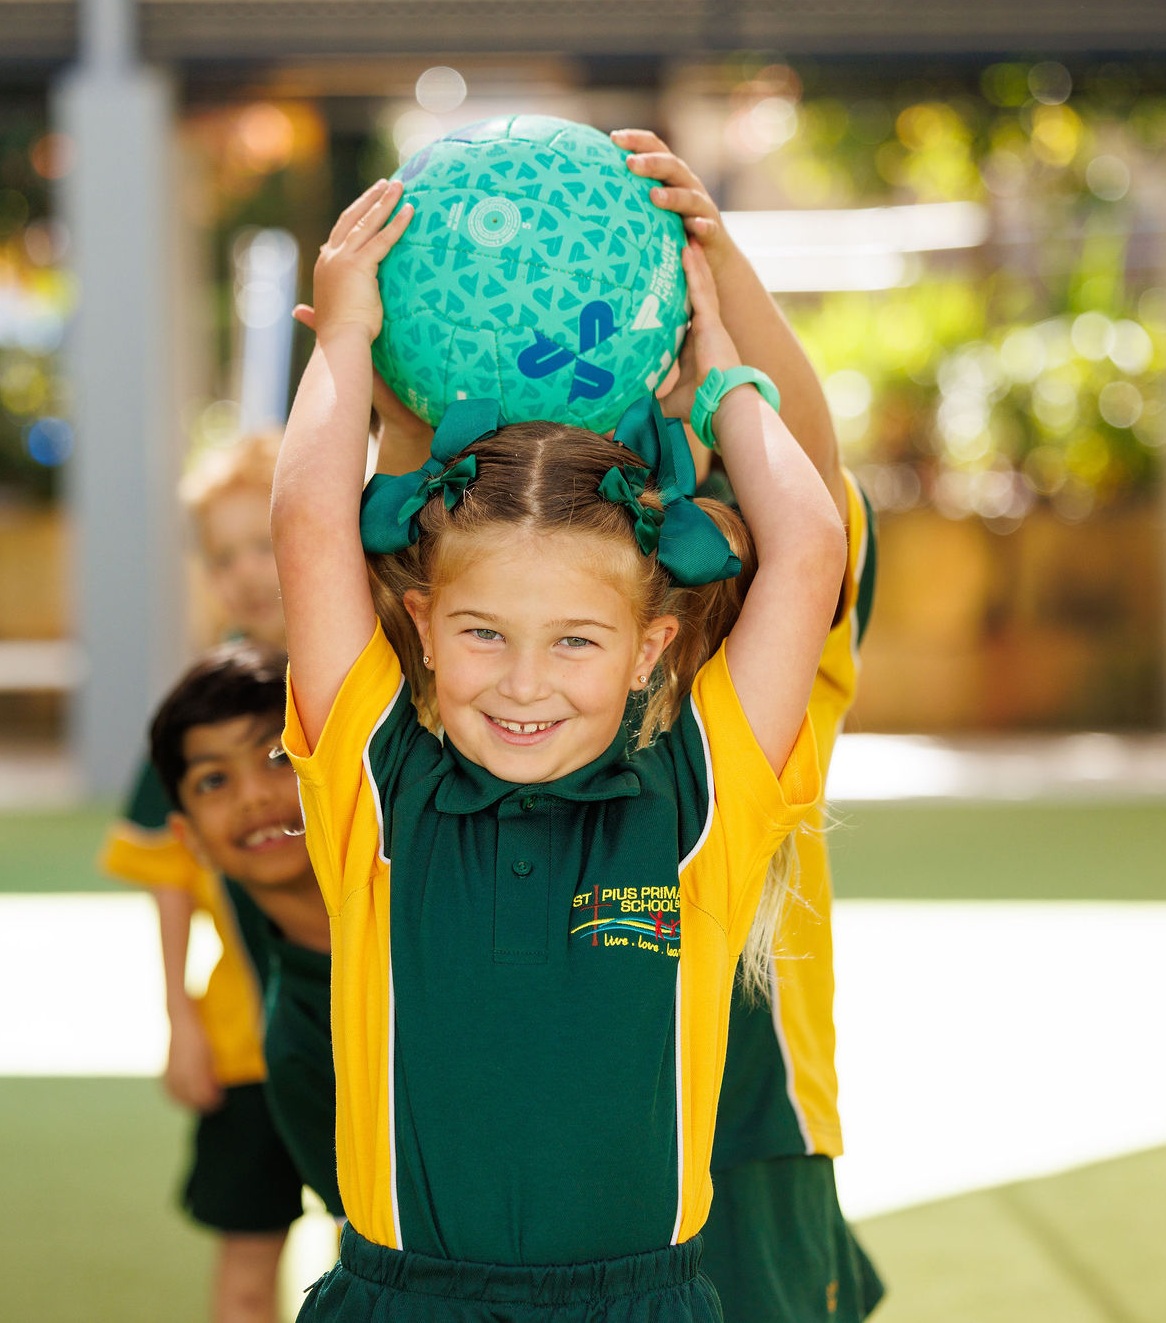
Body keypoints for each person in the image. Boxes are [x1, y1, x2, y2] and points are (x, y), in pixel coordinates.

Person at [270, 175, 845, 1321]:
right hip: (401, 1302)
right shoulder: (379, 788)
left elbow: (809, 546)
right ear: (424, 632)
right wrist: (342, 336)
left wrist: (718, 363)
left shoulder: (701, 797)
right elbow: (309, 523)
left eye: (576, 640)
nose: (525, 683)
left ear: (649, 651)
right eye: (484, 634)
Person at [614, 128, 884, 1320]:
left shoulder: (774, 674)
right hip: (564, 1117)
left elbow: (810, 487)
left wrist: (717, 275)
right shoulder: (522, 672)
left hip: (750, 1112)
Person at [100, 432, 307, 1323]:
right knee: (248, 1268)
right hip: (247, 1042)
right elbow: (168, 871)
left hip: (364, 1030)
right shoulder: (200, 708)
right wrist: (179, 1017)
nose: (247, 573)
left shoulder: (360, 678)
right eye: (222, 556)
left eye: (263, 543)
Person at [147, 640, 343, 1224]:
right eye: (213, 781)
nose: (254, 795)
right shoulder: (293, 1049)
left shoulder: (440, 919)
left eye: (278, 757)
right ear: (192, 842)